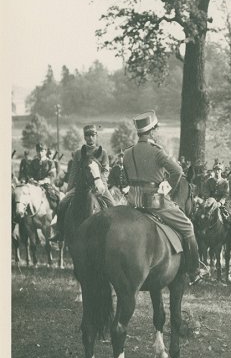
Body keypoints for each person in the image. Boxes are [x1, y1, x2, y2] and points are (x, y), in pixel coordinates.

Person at [123, 110, 208, 284]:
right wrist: (164, 189)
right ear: (152, 131)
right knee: (188, 227)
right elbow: (177, 171)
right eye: (155, 129)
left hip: (132, 200)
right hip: (153, 200)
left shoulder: (127, 153)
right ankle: (194, 269)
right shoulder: (157, 152)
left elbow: (125, 177)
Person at [51, 125, 115, 241]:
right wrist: (69, 189)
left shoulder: (102, 152)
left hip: (99, 185)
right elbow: (73, 172)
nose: (90, 138)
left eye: (92, 135)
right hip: (81, 186)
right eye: (88, 135)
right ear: (85, 137)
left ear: (96, 136)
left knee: (113, 206)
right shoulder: (78, 153)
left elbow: (105, 170)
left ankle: (114, 234)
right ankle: (60, 232)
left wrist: (100, 184)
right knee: (62, 204)